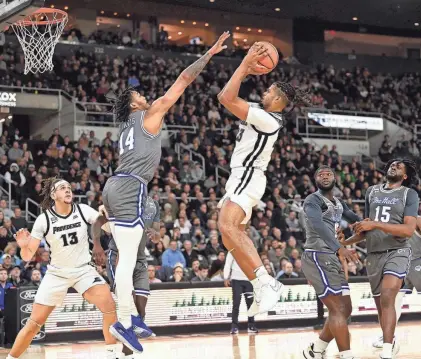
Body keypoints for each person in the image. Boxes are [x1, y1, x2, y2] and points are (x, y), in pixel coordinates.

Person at [101, 32, 230, 353]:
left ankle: (130, 322)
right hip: (130, 186)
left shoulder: (125, 126)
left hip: (115, 185)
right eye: (139, 95)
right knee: (128, 260)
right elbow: (184, 80)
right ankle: (124, 322)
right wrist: (210, 53)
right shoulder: (150, 113)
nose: (145, 96)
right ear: (134, 104)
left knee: (128, 257)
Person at [217, 42, 312, 316]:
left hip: (247, 175)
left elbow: (225, 98)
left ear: (279, 100)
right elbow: (227, 96)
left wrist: (246, 65)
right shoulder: (265, 115)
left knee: (227, 224)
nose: (265, 91)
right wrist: (244, 67)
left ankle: (266, 281)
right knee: (230, 237)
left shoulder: (269, 118)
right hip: (242, 177)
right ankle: (260, 284)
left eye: (270, 90)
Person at [7, 178, 119, 359]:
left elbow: (106, 227)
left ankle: (112, 354)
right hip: (57, 274)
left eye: (69, 187)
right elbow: (27, 256)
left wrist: (106, 216)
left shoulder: (82, 209)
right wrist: (22, 245)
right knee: (34, 323)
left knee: (109, 306)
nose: (67, 190)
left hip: (83, 270)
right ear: (53, 195)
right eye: (62, 188)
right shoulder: (43, 220)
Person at [343, 159, 419, 359]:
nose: (393, 166)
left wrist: (375, 224)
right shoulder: (371, 192)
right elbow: (367, 228)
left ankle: (386, 351)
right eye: (392, 164)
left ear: (405, 176)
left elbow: (408, 230)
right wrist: (344, 242)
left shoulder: (409, 194)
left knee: (388, 296)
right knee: (381, 306)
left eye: (399, 166)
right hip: (374, 254)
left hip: (398, 251)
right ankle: (390, 341)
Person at [301, 166, 360, 359]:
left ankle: (316, 350)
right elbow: (318, 225)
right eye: (320, 174)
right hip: (317, 255)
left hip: (331, 257)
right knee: (336, 309)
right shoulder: (313, 200)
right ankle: (347, 355)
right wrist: (339, 247)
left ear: (335, 178)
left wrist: (372, 225)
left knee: (346, 309)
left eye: (328, 174)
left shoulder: (339, 203)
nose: (325, 176)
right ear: (315, 179)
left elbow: (358, 222)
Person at [102, 196, 160, 358]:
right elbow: (102, 224)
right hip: (118, 255)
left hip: (140, 259)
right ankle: (119, 351)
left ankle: (127, 350)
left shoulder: (153, 203)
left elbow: (156, 232)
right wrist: (98, 245)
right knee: (126, 303)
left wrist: (156, 234)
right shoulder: (125, 198)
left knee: (140, 312)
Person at [224, 251, 258, 334]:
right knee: (236, 303)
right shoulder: (232, 250)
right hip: (236, 280)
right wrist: (226, 277)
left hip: (249, 280)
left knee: (250, 304)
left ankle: (251, 325)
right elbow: (228, 264)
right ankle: (234, 326)